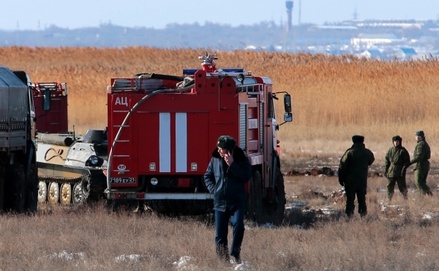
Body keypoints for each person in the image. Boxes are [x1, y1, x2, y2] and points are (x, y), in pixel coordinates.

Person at [203, 135, 251, 263]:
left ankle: (235, 253)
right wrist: (214, 190)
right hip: (220, 202)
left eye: (221, 149)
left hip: (237, 201)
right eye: (218, 148)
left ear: (229, 150)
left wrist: (232, 165)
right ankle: (223, 262)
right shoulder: (215, 159)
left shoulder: (241, 159)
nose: (219, 150)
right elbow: (207, 176)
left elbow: (246, 176)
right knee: (220, 235)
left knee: (238, 225)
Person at [338, 135, 375, 217]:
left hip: (350, 181)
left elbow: (342, 166)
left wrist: (341, 179)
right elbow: (371, 161)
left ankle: (349, 216)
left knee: (350, 199)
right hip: (362, 181)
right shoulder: (367, 152)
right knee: (361, 199)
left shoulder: (349, 152)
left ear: (353, 141)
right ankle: (363, 215)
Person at [384, 135, 410, 200]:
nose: (396, 143)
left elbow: (407, 162)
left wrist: (403, 170)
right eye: (395, 141)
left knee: (402, 187)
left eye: (397, 141)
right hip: (391, 171)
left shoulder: (403, 150)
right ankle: (389, 199)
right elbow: (387, 161)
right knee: (389, 186)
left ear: (400, 142)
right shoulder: (390, 150)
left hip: (400, 172)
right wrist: (386, 170)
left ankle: (405, 199)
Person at [407, 130, 432, 196]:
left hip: (420, 165)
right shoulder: (424, 143)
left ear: (422, 137)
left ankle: (429, 194)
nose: (417, 137)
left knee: (419, 182)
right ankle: (420, 198)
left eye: (419, 136)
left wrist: (410, 162)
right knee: (422, 182)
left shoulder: (421, 144)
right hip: (424, 165)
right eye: (416, 136)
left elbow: (419, 157)